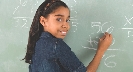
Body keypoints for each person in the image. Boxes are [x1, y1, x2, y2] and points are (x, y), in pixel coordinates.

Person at [23, 0, 113, 72]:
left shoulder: (36, 43)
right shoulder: (56, 45)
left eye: (67, 20)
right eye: (59, 19)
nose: (66, 25)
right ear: (43, 21)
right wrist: (101, 50)